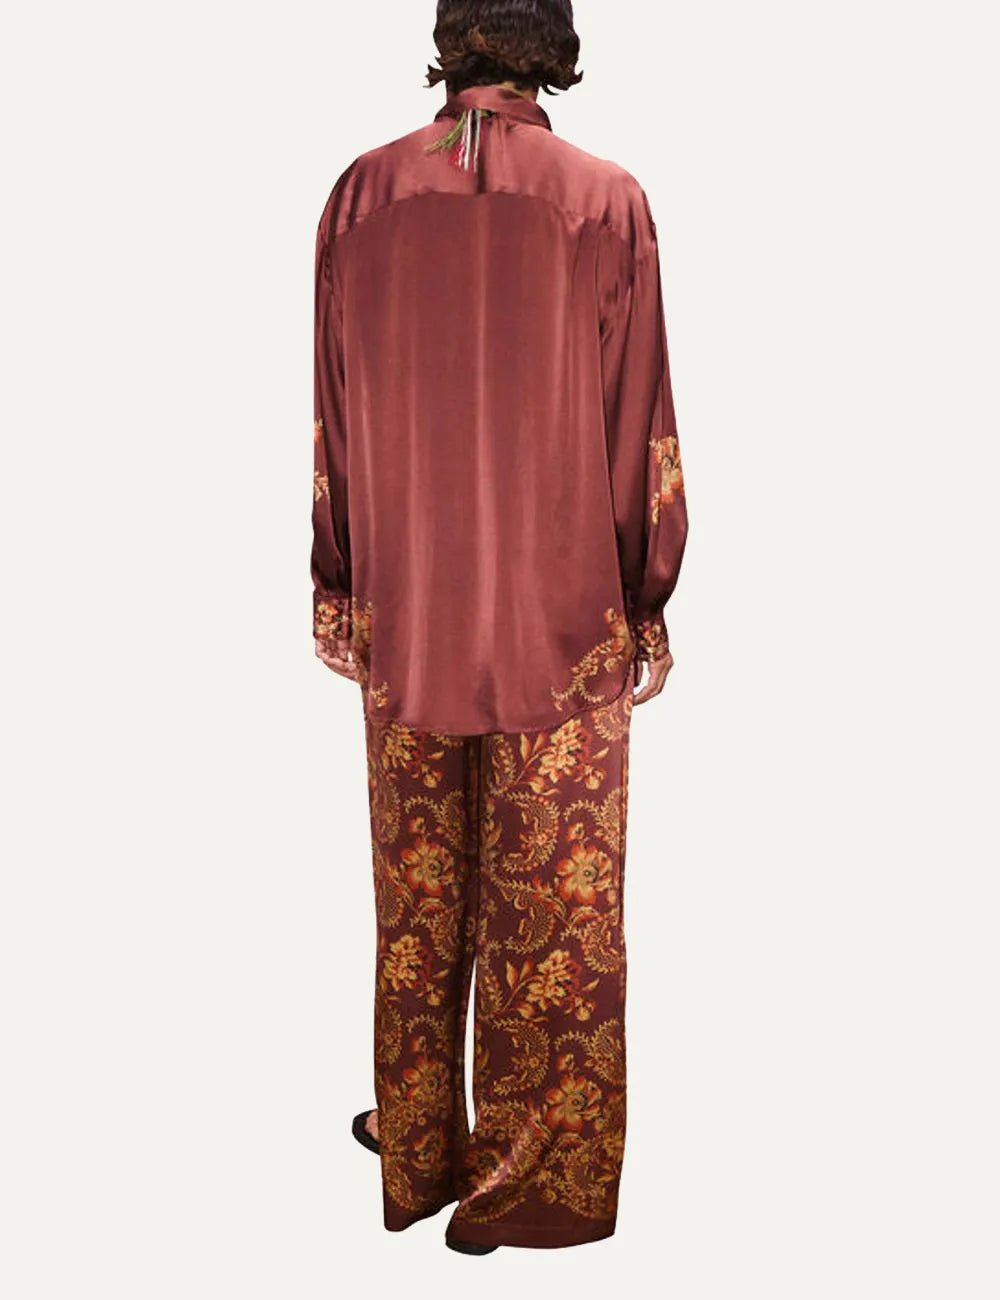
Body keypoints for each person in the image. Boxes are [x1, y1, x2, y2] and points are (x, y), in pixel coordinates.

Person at [312, 0, 688, 1253]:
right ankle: (524, 1175)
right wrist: (646, 599)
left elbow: (333, 407)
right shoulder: (605, 201)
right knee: (554, 910)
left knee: (419, 891)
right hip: (559, 619)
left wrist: (339, 580)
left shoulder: (362, 197)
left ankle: (420, 1140)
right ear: (554, 49)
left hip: (407, 612)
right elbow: (638, 420)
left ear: (450, 39)